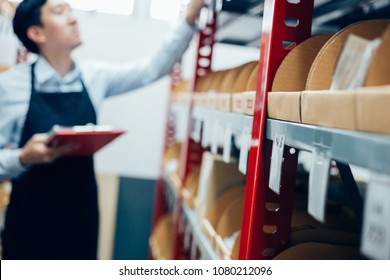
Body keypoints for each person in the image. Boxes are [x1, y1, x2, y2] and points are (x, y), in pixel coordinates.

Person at [0, 0, 204, 260]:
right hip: (30, 221)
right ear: (36, 33)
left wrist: (188, 20)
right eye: (59, 12)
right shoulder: (9, 86)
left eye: (70, 10)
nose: (73, 18)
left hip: (81, 217)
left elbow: (152, 69)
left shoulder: (94, 76)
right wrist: (22, 157)